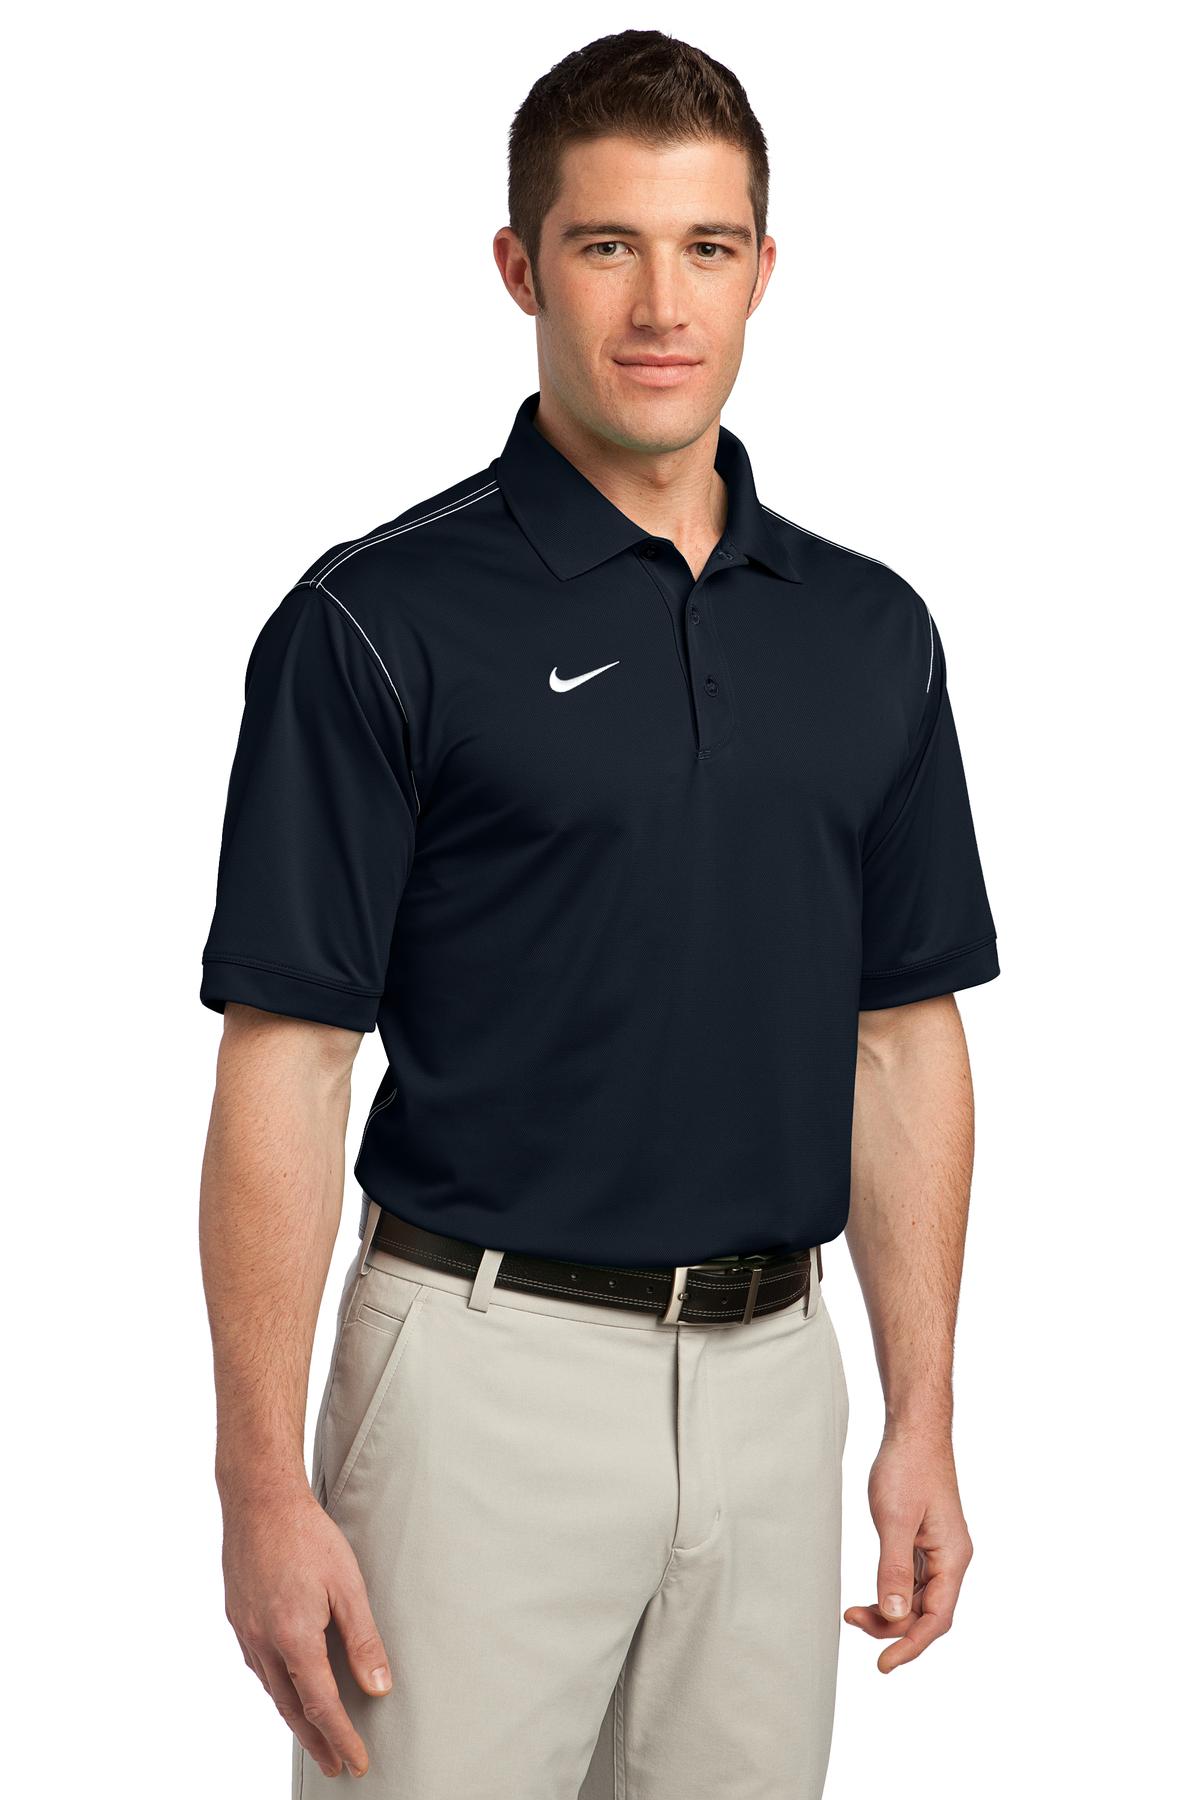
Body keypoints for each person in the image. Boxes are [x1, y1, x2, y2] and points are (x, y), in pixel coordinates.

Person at [199, 28, 999, 1799]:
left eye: (706, 247)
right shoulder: (376, 622)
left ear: (764, 270)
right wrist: (259, 1483)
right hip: (479, 1387)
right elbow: (289, 1063)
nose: (660, 304)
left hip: (780, 1389)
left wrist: (921, 1412)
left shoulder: (870, 632)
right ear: (520, 266)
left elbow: (901, 1036)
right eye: (606, 245)